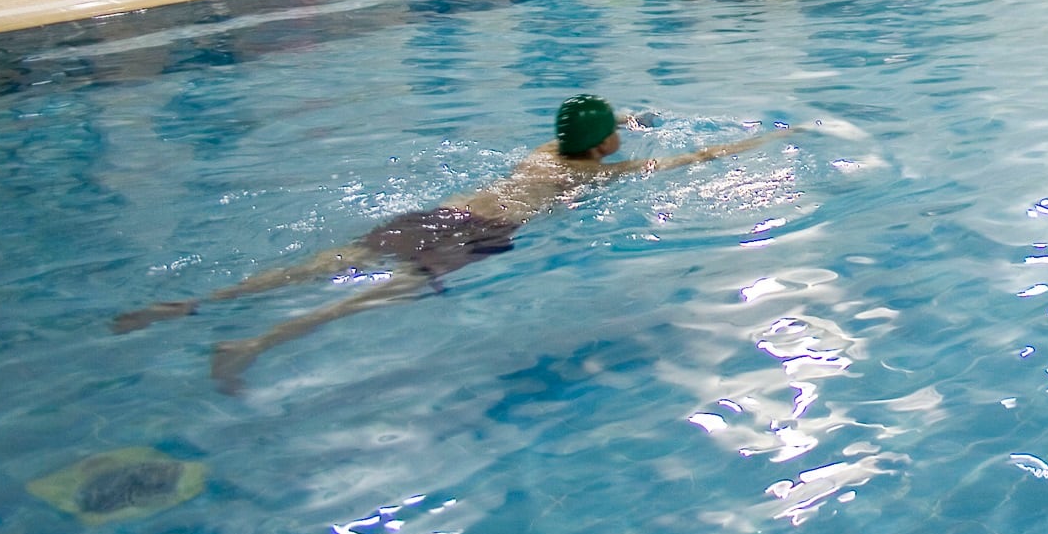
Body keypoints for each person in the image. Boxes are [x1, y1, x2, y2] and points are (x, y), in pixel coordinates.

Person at [112, 96, 790, 392]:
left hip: (444, 208)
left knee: (322, 263)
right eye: (615, 127)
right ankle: (250, 344)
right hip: (480, 234)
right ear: (599, 142)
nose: (622, 133)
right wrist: (759, 141)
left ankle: (195, 303)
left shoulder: (544, 150)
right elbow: (687, 162)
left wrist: (633, 114)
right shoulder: (595, 172)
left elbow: (589, 125)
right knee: (371, 298)